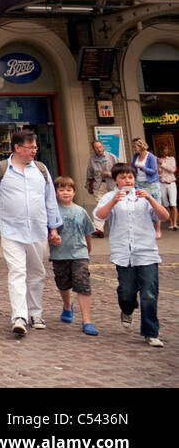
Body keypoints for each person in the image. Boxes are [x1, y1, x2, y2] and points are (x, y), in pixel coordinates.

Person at [0, 128, 61, 336]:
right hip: (12, 230)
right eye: (31, 147)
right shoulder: (1, 168)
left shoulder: (41, 169)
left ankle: (35, 313)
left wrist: (54, 227)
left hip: (38, 229)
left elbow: (50, 199)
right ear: (17, 148)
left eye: (35, 147)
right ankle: (19, 317)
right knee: (17, 272)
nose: (34, 151)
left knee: (37, 273)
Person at [94, 162, 169, 348]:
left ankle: (151, 332)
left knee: (149, 293)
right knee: (127, 292)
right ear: (116, 181)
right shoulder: (110, 197)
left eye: (130, 177)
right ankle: (127, 309)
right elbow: (99, 216)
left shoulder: (143, 196)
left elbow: (164, 216)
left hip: (146, 251)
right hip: (123, 252)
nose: (127, 180)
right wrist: (113, 202)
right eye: (123, 178)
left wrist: (151, 199)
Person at [50, 175, 97, 335]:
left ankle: (87, 321)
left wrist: (88, 250)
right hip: (59, 254)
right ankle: (67, 305)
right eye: (61, 189)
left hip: (80, 253)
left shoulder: (81, 211)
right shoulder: (52, 212)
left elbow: (87, 232)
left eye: (69, 190)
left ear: (74, 192)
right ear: (55, 192)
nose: (65, 193)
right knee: (63, 283)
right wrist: (52, 237)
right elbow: (47, 232)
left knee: (83, 284)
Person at [84, 139, 117, 237]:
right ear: (93, 149)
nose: (99, 149)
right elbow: (89, 174)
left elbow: (119, 171)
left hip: (112, 185)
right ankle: (98, 229)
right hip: (99, 186)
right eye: (96, 148)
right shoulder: (92, 160)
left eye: (100, 147)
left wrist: (109, 174)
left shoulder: (112, 157)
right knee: (100, 205)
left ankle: (116, 228)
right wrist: (89, 187)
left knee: (113, 207)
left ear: (103, 147)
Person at [131, 137, 163, 240]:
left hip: (151, 184)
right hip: (138, 183)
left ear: (141, 146)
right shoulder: (136, 156)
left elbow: (154, 171)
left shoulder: (151, 157)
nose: (134, 149)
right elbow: (132, 168)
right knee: (140, 206)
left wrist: (142, 167)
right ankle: (146, 229)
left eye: (135, 147)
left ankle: (158, 230)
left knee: (155, 206)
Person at [157, 142, 177, 231]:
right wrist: (159, 174)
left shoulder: (171, 159)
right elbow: (156, 173)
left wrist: (163, 164)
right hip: (162, 183)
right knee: (165, 204)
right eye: (164, 149)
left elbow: (173, 170)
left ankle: (175, 224)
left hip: (171, 183)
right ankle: (171, 222)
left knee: (173, 204)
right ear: (160, 151)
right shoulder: (157, 160)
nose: (166, 151)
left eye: (167, 149)